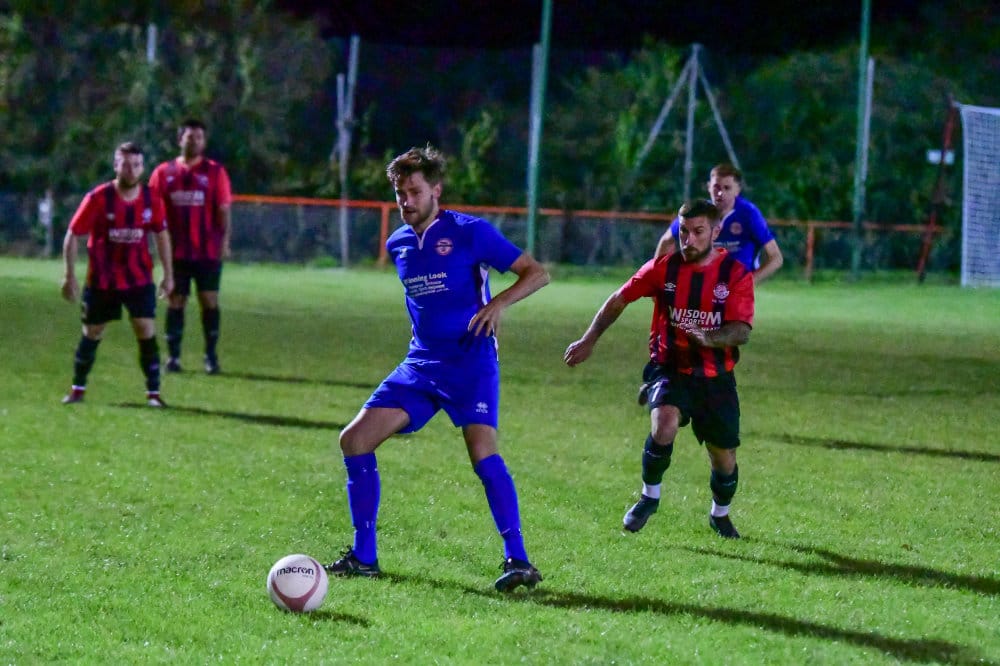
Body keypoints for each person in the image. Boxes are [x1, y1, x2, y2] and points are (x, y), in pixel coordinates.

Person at [326, 145, 550, 591]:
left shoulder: (470, 232)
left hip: (470, 360)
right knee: (354, 440)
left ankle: (519, 560)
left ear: (436, 191)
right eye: (400, 193)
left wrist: (498, 304)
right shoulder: (398, 244)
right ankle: (364, 557)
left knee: (483, 454)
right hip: (421, 364)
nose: (406, 201)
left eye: (414, 191)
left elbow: (536, 273)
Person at [565, 199, 754, 539]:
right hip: (670, 367)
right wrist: (589, 339)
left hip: (716, 378)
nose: (689, 240)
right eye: (683, 232)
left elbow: (741, 331)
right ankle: (649, 497)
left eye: (698, 232)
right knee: (664, 424)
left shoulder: (736, 274)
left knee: (723, 457)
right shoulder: (663, 268)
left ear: (715, 233)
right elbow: (619, 299)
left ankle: (720, 514)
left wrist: (708, 337)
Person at [61, 142, 174, 407]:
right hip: (103, 279)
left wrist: (168, 274)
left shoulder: (152, 199)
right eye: (125, 164)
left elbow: (161, 235)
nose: (131, 170)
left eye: (136, 165)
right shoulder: (98, 198)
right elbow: (72, 235)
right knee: (92, 332)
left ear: (142, 168)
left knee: (145, 329)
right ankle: (77, 389)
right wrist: (69, 275)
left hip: (138, 278)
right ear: (115, 166)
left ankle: (154, 394)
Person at [149, 118, 233, 375]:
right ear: (179, 140)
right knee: (176, 301)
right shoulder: (163, 173)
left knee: (209, 301)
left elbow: (223, 210)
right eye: (189, 136)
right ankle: (173, 357)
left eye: (198, 137)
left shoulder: (215, 172)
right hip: (176, 252)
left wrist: (224, 242)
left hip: (207, 250)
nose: (194, 141)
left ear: (204, 142)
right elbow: (153, 213)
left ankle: (211, 357)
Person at [654, 163, 783, 284]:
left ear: (737, 190)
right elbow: (666, 240)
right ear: (709, 187)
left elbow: (776, 258)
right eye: (716, 187)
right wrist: (657, 278)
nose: (720, 193)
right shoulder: (698, 211)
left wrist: (747, 283)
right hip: (703, 284)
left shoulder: (749, 214)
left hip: (735, 287)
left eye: (727, 188)